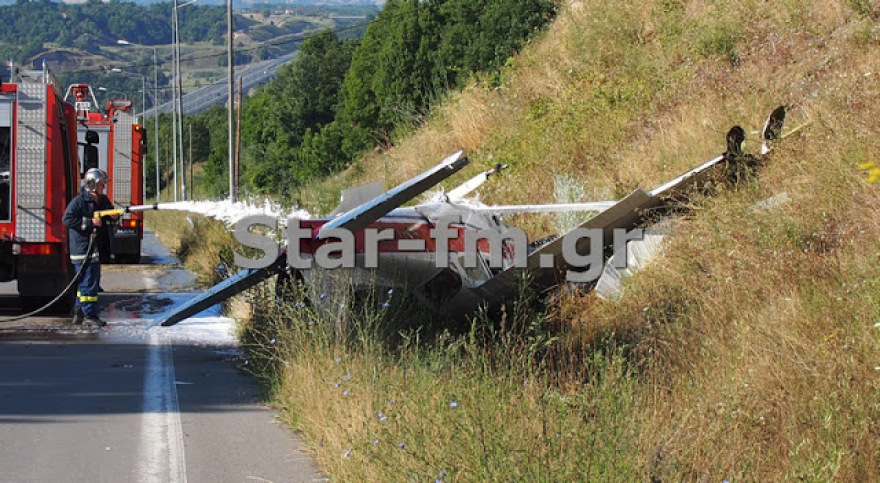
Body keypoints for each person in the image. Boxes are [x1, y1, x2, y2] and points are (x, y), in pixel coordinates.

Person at [62, 168, 117, 326]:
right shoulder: (79, 201)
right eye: (102, 184)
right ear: (92, 184)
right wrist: (88, 223)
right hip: (83, 249)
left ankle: (79, 311)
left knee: (85, 283)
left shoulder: (102, 200)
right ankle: (89, 315)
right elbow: (67, 219)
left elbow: (110, 212)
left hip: (93, 248)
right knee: (89, 282)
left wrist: (114, 215)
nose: (104, 187)